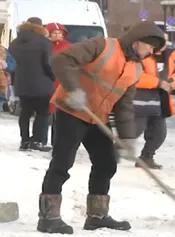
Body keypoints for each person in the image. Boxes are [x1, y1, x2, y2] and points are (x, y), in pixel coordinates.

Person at [38, 21, 165, 234]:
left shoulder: (135, 68)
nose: (151, 52)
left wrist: (128, 138)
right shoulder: (102, 46)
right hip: (72, 111)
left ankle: (97, 215)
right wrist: (73, 90)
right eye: (150, 47)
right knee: (62, 163)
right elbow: (62, 59)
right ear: (138, 42)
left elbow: (124, 107)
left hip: (98, 117)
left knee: (106, 164)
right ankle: (48, 217)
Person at [128, 33, 175, 169]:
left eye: (165, 41)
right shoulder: (141, 54)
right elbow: (134, 76)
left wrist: (173, 82)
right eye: (160, 40)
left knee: (159, 134)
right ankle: (112, 152)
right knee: (134, 130)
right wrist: (158, 82)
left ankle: (146, 157)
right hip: (140, 99)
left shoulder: (170, 56)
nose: (163, 44)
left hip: (161, 101)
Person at [8, 17, 55, 152]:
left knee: (25, 112)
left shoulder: (15, 42)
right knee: (42, 113)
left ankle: (24, 140)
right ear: (41, 27)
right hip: (41, 83)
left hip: (21, 82)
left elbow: (12, 63)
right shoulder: (44, 42)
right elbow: (48, 63)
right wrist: (53, 76)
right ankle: (37, 141)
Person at [45, 22, 71, 146]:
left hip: (63, 82)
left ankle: (58, 141)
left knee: (59, 114)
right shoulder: (45, 46)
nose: (57, 36)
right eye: (54, 33)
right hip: (48, 81)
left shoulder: (69, 47)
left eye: (59, 33)